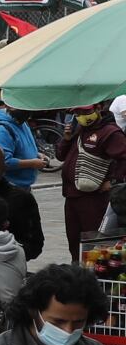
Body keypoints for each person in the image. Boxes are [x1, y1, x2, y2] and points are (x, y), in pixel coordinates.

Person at [57, 101, 126, 260]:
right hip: (71, 196)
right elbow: (60, 155)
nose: (81, 116)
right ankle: (77, 269)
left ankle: (94, 271)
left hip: (94, 198)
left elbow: (124, 159)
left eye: (85, 112)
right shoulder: (79, 129)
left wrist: (112, 182)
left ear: (98, 108)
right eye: (77, 113)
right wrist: (66, 139)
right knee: (74, 241)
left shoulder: (110, 132)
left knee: (95, 244)